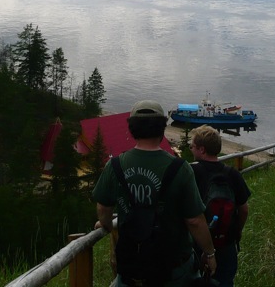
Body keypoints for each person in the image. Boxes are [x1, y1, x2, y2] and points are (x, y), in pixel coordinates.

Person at [93, 100, 217, 286]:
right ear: (162, 128)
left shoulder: (115, 166)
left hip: (133, 267)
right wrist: (209, 253)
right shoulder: (180, 168)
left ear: (132, 129)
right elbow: (194, 220)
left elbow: (103, 208)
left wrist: (107, 225)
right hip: (173, 267)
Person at [190, 125, 251, 287]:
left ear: (202, 150)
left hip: (197, 244)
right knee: (225, 282)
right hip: (226, 243)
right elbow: (244, 209)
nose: (191, 150)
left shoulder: (191, 172)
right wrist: (236, 231)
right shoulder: (232, 174)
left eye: (192, 147)